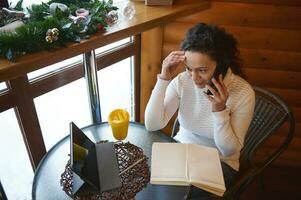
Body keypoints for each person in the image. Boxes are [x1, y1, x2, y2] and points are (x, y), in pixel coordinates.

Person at [144, 23, 255, 198]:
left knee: (180, 196)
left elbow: (229, 151)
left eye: (202, 70)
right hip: (181, 150)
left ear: (220, 64)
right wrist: (164, 79)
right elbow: (152, 124)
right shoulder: (183, 81)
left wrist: (219, 111)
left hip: (220, 162)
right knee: (145, 184)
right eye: (189, 69)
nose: (194, 79)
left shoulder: (243, 93)